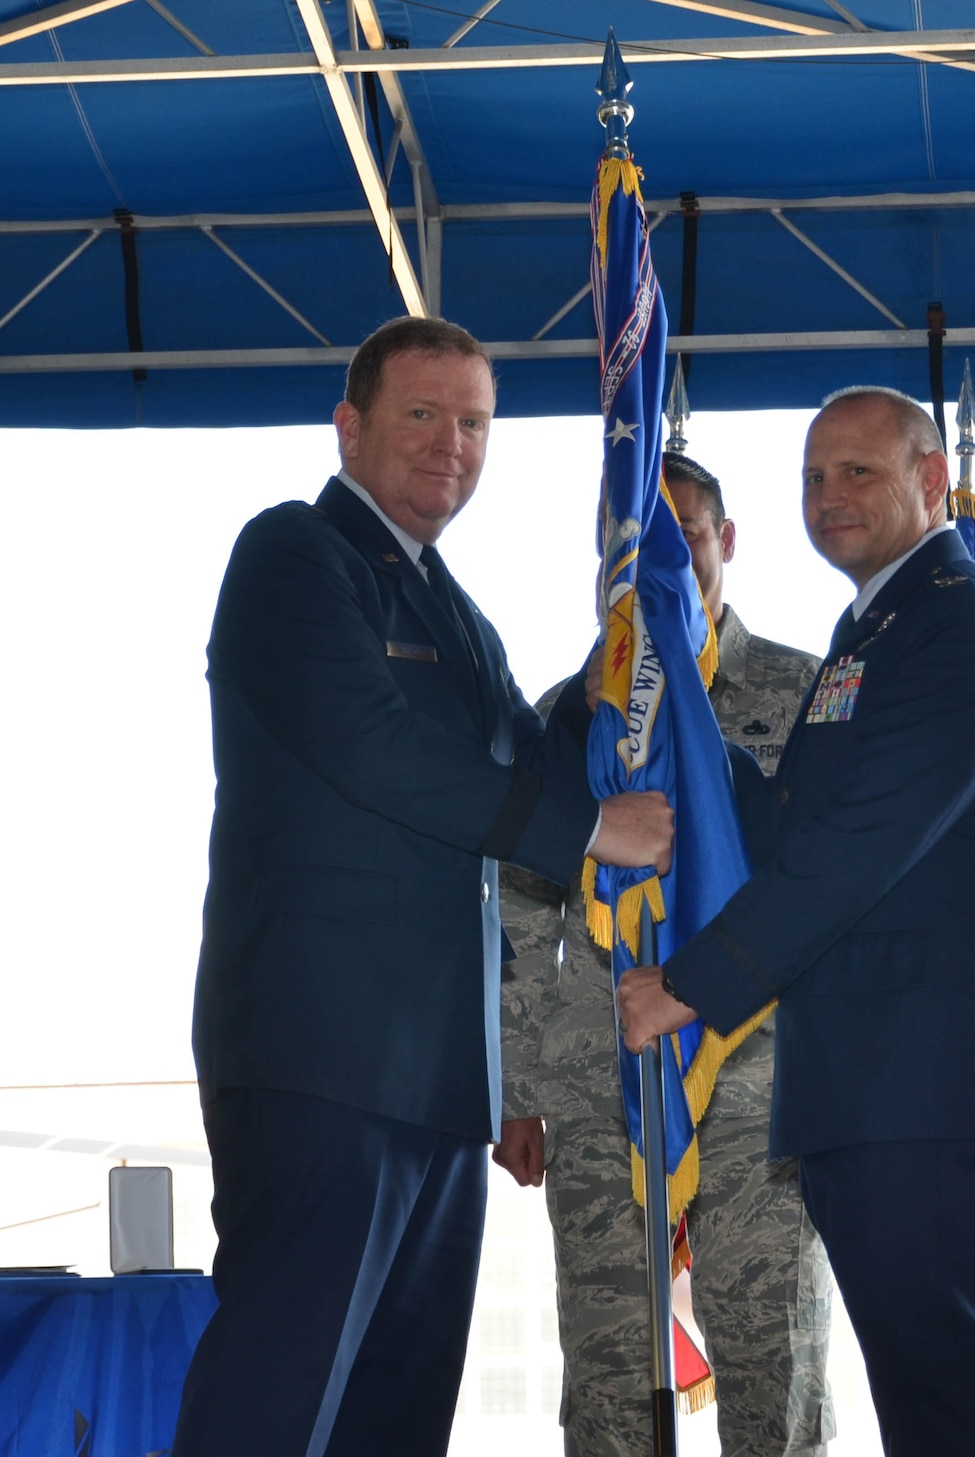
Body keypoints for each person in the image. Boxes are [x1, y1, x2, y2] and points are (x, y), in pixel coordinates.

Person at [176, 316, 677, 1457]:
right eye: (421, 413)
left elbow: (529, 753)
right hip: (324, 1060)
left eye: (473, 423)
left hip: (441, 1078)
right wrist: (597, 825)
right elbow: (376, 748)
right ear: (348, 425)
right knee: (280, 1392)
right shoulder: (294, 556)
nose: (451, 443)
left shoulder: (452, 606)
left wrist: (645, 695)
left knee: (393, 1415)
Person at [618, 388, 975, 1456]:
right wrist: (682, 748)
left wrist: (687, 984)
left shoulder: (954, 628)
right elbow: (795, 819)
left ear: (930, 482)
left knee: (952, 1402)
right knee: (929, 1401)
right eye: (812, 477)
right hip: (875, 1087)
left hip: (929, 1084)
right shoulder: (878, 623)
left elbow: (856, 849)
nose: (828, 497)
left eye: (857, 473)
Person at [495, 452, 836, 1457]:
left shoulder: (803, 691)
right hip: (603, 1089)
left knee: (776, 1359)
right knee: (607, 1372)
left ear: (724, 544)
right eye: (638, 542)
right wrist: (518, 1084)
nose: (664, 558)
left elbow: (829, 884)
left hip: (757, 1087)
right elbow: (523, 906)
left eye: (685, 534)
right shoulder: (572, 715)